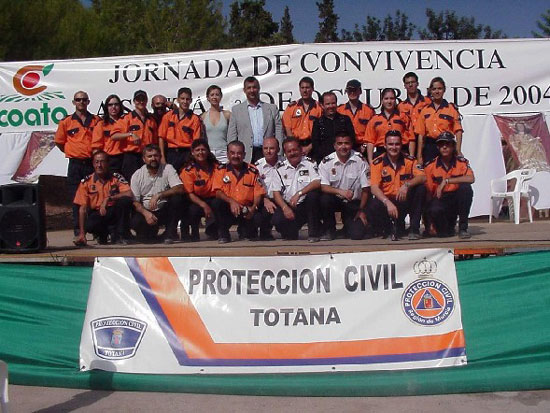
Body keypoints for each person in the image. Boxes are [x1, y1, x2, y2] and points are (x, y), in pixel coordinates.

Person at [54, 90, 101, 238]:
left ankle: (96, 230)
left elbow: (99, 141)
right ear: (74, 102)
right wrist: (73, 152)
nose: (81, 102)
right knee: (77, 199)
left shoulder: (96, 120)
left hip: (91, 164)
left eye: (84, 99)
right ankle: (78, 231)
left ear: (88, 102)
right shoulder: (66, 122)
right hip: (75, 165)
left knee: (94, 197)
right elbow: (60, 143)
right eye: (78, 99)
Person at [368, 130, 426, 241]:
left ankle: (414, 229)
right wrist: (387, 202)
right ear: (384, 145)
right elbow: (374, 188)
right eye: (390, 144)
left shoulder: (409, 161)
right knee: (373, 204)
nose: (394, 147)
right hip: (388, 203)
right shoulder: (377, 163)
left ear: (401, 145)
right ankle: (388, 229)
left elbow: (423, 177)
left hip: (403, 200)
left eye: (397, 144)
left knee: (420, 189)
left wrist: (406, 185)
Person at [73, 151, 133, 246]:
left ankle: (120, 235)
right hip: (97, 213)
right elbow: (82, 209)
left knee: (125, 201)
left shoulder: (116, 178)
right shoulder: (86, 182)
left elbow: (129, 193)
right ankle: (101, 235)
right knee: (90, 225)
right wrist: (82, 234)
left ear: (108, 163)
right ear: (93, 164)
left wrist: (109, 198)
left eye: (102, 162)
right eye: (96, 162)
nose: (99, 165)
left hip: (114, 211)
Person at [211, 140, 266, 243]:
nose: (235, 156)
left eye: (239, 153)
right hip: (229, 209)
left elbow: (258, 193)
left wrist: (253, 208)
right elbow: (218, 192)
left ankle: (245, 231)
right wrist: (232, 202)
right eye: (232, 153)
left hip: (246, 210)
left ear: (244, 154)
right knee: (216, 203)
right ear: (227, 154)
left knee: (258, 218)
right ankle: (224, 234)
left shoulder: (252, 171)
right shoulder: (220, 170)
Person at [318, 132, 370, 240]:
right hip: (335, 200)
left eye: (346, 143)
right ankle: (329, 230)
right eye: (340, 143)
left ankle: (346, 229)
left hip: (353, 203)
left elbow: (366, 189)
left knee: (357, 235)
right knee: (324, 199)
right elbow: (324, 186)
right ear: (335, 146)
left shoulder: (360, 160)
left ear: (351, 145)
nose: (343, 147)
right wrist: (341, 192)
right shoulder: (326, 162)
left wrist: (361, 210)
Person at [130, 144, 185, 244]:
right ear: (144, 159)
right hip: (146, 211)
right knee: (145, 236)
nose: (153, 159)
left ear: (160, 157)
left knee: (177, 199)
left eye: (156, 155)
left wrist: (159, 195)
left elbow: (179, 188)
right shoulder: (137, 175)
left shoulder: (168, 168)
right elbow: (135, 201)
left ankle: (169, 234)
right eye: (149, 156)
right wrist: (146, 213)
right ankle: (148, 234)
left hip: (163, 209)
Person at [424, 132, 475, 239]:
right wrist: (428, 222)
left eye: (448, 144)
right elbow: (429, 193)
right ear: (437, 147)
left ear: (453, 146)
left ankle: (463, 228)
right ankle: (447, 227)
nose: (444, 147)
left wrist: (447, 181)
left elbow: (471, 178)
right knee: (443, 233)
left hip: (456, 199)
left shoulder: (461, 163)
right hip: (441, 200)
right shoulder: (430, 166)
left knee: (465, 188)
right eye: (441, 144)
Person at [272, 137, 322, 242]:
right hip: (289, 206)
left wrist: (299, 193)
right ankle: (291, 231)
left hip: (305, 205)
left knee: (313, 196)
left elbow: (317, 182)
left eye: (295, 150)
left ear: (300, 150)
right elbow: (276, 193)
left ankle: (314, 233)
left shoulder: (310, 163)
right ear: (285, 153)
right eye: (289, 151)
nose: (292, 153)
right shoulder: (278, 168)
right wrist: (285, 208)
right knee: (278, 220)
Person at [227, 76, 283, 163]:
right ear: (244, 90)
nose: (252, 90)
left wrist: (279, 152)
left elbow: (279, 132)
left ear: (259, 88)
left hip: (268, 153)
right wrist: (232, 154)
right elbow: (232, 135)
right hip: (246, 155)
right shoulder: (236, 110)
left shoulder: (272, 109)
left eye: (254, 87)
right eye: (249, 88)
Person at [111, 90, 158, 182]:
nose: (141, 102)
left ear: (146, 101)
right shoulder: (127, 118)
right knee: (132, 184)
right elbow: (114, 136)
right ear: (134, 101)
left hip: (148, 157)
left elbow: (155, 141)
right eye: (138, 100)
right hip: (131, 158)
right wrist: (130, 134)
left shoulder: (151, 120)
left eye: (143, 99)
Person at [416, 77, 463, 165]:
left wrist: (458, 150)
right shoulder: (425, 110)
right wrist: (419, 156)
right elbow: (421, 134)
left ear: (444, 90)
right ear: (430, 91)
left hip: (446, 145)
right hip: (430, 147)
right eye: (434, 89)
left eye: (439, 88)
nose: (437, 91)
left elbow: (458, 131)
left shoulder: (451, 109)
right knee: (429, 174)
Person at [179, 139, 219, 241]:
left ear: (208, 151)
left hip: (214, 198)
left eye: (203, 150)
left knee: (219, 204)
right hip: (196, 200)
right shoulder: (188, 170)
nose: (200, 152)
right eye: (197, 150)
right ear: (192, 153)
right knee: (193, 209)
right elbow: (190, 193)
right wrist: (204, 205)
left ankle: (216, 231)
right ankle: (194, 233)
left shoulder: (217, 167)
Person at [158, 87, 202, 172]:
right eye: (182, 99)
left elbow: (196, 142)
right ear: (177, 100)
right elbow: (161, 137)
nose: (185, 102)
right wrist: (162, 157)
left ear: (191, 100)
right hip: (170, 153)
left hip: (187, 153)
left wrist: (193, 158)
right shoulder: (168, 116)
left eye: (187, 99)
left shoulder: (194, 119)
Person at [365, 88, 413, 165]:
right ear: (382, 101)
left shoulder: (403, 117)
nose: (389, 101)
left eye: (392, 98)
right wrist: (370, 161)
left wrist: (411, 157)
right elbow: (370, 141)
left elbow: (411, 138)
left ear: (395, 100)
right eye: (386, 99)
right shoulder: (374, 120)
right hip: (380, 154)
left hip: (400, 153)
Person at [310, 91, 355, 164]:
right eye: (328, 104)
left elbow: (352, 140)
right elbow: (316, 145)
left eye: (333, 103)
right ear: (322, 105)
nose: (331, 106)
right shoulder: (318, 123)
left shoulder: (345, 119)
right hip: (325, 162)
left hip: (345, 160)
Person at [282, 76, 323, 155]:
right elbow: (287, 129)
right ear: (299, 89)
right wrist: (296, 146)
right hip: (295, 147)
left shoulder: (319, 108)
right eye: (302, 88)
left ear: (312, 89)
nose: (305, 90)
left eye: (307, 87)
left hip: (313, 146)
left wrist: (309, 147)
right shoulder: (291, 107)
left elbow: (321, 131)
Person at [254, 136, 283, 240]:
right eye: (266, 148)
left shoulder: (284, 163)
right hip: (264, 199)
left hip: (282, 199)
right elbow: (254, 188)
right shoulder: (257, 167)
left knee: (284, 225)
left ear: (278, 150)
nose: (268, 151)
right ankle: (264, 233)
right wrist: (264, 199)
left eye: (272, 148)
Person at [397, 72, 431, 158]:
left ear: (417, 83)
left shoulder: (427, 102)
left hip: (425, 140)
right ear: (404, 86)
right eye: (408, 83)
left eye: (413, 82)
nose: (410, 85)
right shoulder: (401, 106)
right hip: (408, 142)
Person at [91, 94, 126, 174]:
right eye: (110, 105)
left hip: (125, 159)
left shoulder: (126, 122)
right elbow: (96, 147)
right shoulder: (101, 124)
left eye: (116, 104)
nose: (113, 107)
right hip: (109, 160)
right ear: (106, 107)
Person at [337, 79, 374, 152]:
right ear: (346, 92)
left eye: (355, 90)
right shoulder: (340, 110)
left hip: (363, 148)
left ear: (360, 91)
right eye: (350, 90)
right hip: (344, 147)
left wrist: (365, 145)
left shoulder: (368, 110)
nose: (352, 93)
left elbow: (372, 132)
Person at [201, 85, 231, 164]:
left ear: (221, 97)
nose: (214, 97)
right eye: (212, 95)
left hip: (224, 153)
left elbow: (233, 135)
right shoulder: (203, 116)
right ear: (208, 98)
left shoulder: (227, 115)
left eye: (217, 95)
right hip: (208, 153)